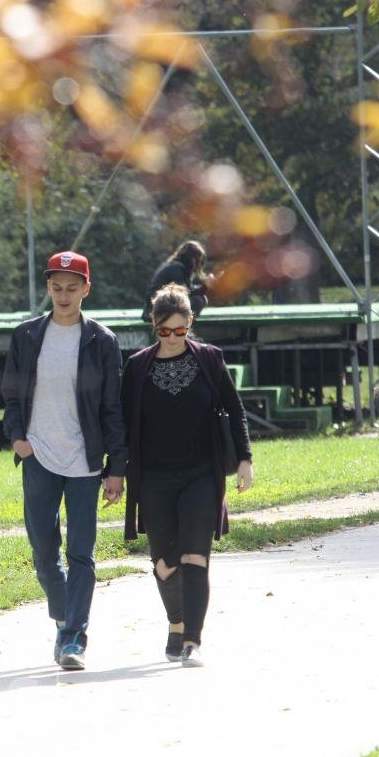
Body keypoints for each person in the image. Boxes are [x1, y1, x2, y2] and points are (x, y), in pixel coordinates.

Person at [1, 250, 127, 671]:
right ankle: (63, 610)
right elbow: (12, 394)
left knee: (80, 552)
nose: (64, 295)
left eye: (72, 288)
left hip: (86, 461)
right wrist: (19, 439)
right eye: (56, 287)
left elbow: (113, 408)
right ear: (48, 289)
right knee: (42, 547)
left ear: (86, 289)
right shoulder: (27, 336)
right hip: (38, 454)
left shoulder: (102, 341)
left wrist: (116, 468)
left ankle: (73, 637)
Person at [118, 284, 254, 667]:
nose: (174, 338)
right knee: (165, 563)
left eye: (181, 330)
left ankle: (193, 639)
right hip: (155, 478)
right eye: (165, 331)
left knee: (195, 556)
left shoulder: (210, 360)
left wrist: (245, 459)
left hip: (201, 475)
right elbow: (123, 424)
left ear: (191, 323)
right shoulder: (137, 367)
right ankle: (175, 623)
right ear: (153, 325)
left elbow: (235, 409)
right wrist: (114, 472)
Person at [142, 241, 214, 320]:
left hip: (158, 307)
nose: (198, 264)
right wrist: (204, 288)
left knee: (201, 298)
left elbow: (187, 289)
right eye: (197, 259)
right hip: (155, 310)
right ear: (190, 258)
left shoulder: (176, 266)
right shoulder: (176, 268)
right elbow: (183, 294)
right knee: (198, 300)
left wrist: (203, 287)